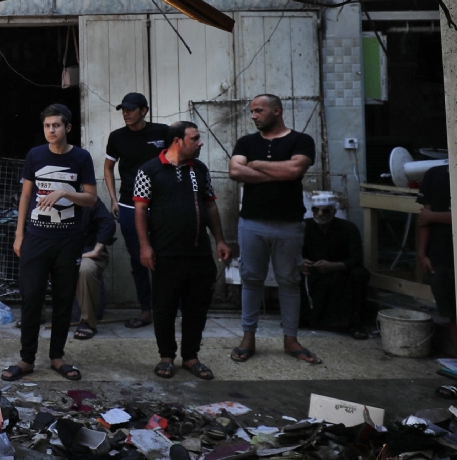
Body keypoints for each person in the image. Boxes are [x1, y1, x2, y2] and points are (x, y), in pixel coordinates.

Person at [3, 104, 98, 383]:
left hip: (68, 239)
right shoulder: (35, 155)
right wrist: (19, 235)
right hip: (36, 237)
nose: (51, 130)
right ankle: (27, 358)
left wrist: (63, 193)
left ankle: (57, 357)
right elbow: (25, 197)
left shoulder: (81, 158)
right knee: (31, 298)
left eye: (56, 125)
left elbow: (91, 198)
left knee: (63, 299)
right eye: (47, 126)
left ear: (67, 128)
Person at [133, 121, 231, 380]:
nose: (200, 143)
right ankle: (166, 357)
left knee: (196, 307)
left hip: (199, 253)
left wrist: (220, 240)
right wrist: (145, 246)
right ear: (177, 141)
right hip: (165, 253)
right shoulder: (149, 170)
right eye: (195, 138)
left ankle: (191, 357)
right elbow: (140, 210)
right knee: (163, 307)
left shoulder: (199, 169)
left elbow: (210, 206)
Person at [228, 95, 319, 365]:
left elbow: (294, 169)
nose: (253, 115)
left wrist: (255, 165)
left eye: (259, 110)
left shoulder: (301, 140)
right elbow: (235, 171)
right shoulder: (246, 142)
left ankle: (291, 339)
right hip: (252, 223)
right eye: (252, 111)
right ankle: (248, 337)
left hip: (289, 223)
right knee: (251, 279)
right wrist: (278, 172)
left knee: (289, 281)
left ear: (276, 111)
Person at [104, 93, 173, 331]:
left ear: (144, 110)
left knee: (165, 258)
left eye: (131, 109)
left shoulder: (162, 132)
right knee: (139, 259)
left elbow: (176, 160)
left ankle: (167, 309)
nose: (126, 113)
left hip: (161, 205)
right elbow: (108, 167)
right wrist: (114, 199)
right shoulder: (117, 137)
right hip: (129, 205)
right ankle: (146, 310)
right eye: (123, 109)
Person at [301, 191, 371, 337]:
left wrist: (333, 266)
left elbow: (355, 259)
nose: (320, 214)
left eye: (325, 210)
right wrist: (301, 262)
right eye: (316, 210)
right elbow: (293, 251)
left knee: (359, 274)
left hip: (341, 272)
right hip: (314, 272)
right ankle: (304, 319)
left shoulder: (348, 229)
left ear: (334, 211)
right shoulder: (305, 227)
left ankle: (355, 325)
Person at [416, 162, 457, 349]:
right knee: (452, 312)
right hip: (441, 252)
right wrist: (422, 253)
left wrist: (434, 217)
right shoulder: (434, 174)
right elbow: (424, 217)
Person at [73, 199, 118, 338]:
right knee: (33, 262)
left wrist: (97, 250)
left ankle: (87, 323)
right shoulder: (50, 199)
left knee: (85, 268)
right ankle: (34, 317)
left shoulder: (89, 200)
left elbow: (108, 224)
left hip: (88, 253)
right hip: (61, 254)